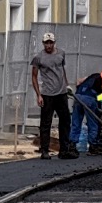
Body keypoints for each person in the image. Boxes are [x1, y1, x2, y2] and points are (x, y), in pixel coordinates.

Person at [31, 31, 74, 159]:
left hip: (61, 93)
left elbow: (62, 70)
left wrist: (66, 85)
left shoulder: (61, 54)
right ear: (43, 44)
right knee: (46, 123)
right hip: (47, 94)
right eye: (46, 43)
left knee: (65, 121)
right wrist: (38, 95)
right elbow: (34, 76)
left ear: (54, 43)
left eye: (50, 43)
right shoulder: (39, 58)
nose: (48, 46)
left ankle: (64, 150)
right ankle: (45, 150)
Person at [70, 71, 102, 156]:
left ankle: (72, 145)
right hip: (89, 99)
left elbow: (79, 82)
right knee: (93, 123)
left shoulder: (91, 77)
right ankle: (93, 147)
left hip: (78, 97)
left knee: (76, 123)